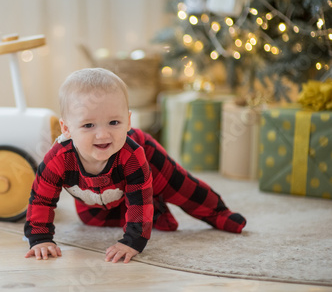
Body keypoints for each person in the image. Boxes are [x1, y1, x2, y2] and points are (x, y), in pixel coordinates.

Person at [24, 68, 246, 263]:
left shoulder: (133, 154)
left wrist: (132, 242)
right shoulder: (58, 159)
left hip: (146, 162)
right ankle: (156, 209)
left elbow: (139, 199)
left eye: (114, 122)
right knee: (91, 219)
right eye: (88, 125)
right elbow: (41, 199)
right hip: (99, 195)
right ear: (66, 128)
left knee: (180, 187)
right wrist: (40, 239)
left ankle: (219, 213)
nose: (103, 134)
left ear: (128, 121)